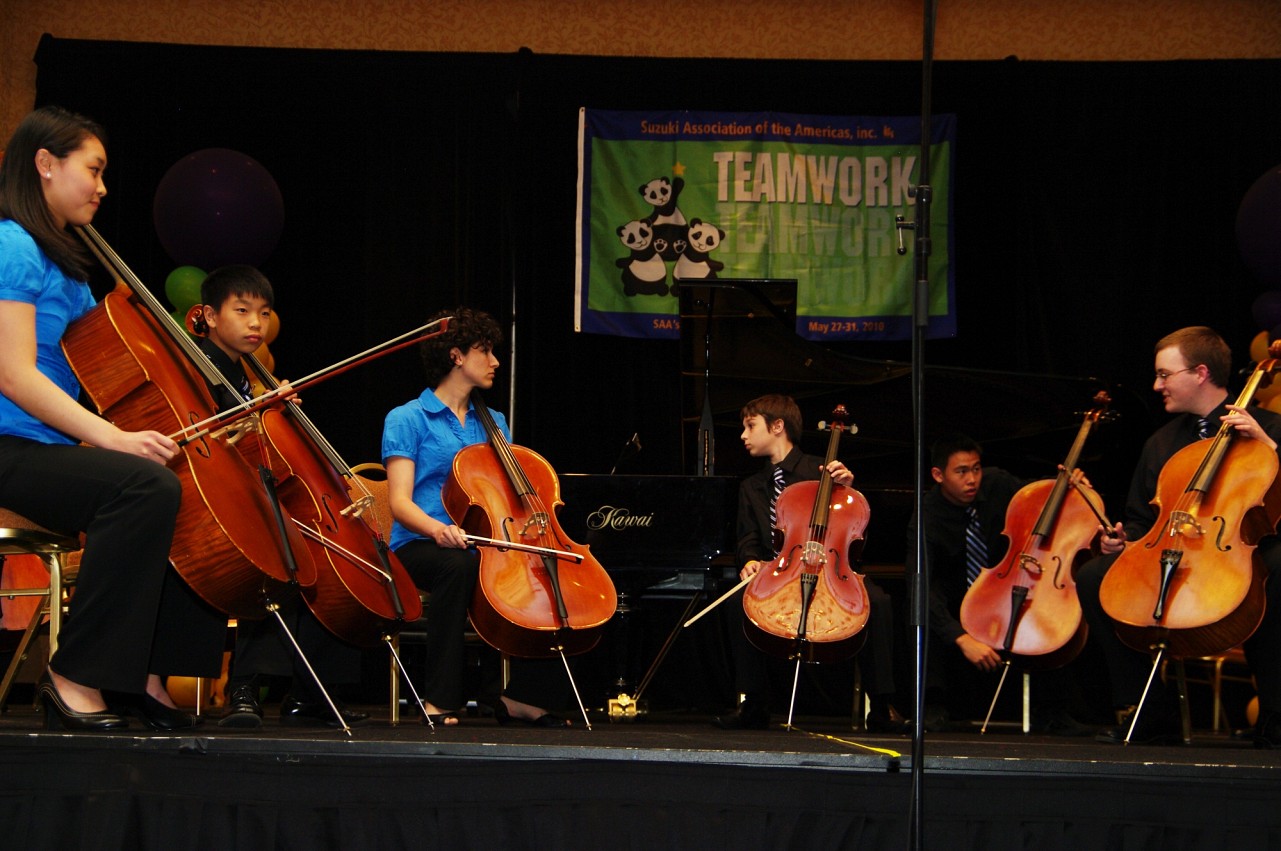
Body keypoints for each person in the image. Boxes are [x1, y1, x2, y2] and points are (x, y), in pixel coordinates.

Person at [0, 105, 219, 731]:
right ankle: (72, 676)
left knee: (178, 482)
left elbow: (108, 358)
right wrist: (113, 437)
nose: (101, 187)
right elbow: (13, 374)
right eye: (92, 170)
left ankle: (147, 675)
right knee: (140, 483)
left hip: (48, 450)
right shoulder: (12, 244)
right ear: (45, 164)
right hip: (10, 445)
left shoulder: (65, 267)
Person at [1076, 326, 1281, 747]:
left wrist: (1269, 448)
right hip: (1177, 554)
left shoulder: (1270, 426)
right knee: (1097, 575)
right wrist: (1122, 540)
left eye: (1165, 375)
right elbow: (1139, 520)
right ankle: (1151, 713)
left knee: (1276, 571)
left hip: (1247, 551)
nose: (1157, 386)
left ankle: (1276, 715)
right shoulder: (1161, 443)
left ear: (1201, 372)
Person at [190, 264, 368, 729]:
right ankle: (244, 687)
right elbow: (203, 437)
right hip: (211, 497)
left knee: (326, 560)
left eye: (264, 314)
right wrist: (258, 414)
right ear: (208, 315)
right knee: (279, 555)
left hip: (253, 490)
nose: (256, 323)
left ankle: (313, 692)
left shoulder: (249, 374)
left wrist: (271, 409)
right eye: (243, 310)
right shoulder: (197, 364)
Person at [382, 305, 570, 727]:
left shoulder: (494, 422)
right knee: (460, 566)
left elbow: (504, 497)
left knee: (531, 573)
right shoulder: (407, 418)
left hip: (478, 543)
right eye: (485, 351)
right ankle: (440, 698)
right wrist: (439, 529)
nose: (495, 361)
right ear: (456, 356)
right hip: (418, 544)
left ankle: (511, 695)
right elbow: (400, 503)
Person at [714, 394, 908, 732]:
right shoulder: (752, 486)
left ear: (777, 426)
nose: (743, 436)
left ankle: (880, 706)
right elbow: (747, 539)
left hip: (828, 567)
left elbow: (854, 529)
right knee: (736, 602)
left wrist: (846, 490)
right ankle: (754, 704)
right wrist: (749, 561)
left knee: (877, 601)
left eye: (750, 426)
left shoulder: (823, 471)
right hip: (779, 571)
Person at [905, 433, 1093, 735]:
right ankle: (933, 704)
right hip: (959, 593)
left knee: (1045, 604)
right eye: (962, 472)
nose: (972, 479)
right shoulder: (926, 515)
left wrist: (1068, 485)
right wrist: (961, 638)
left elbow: (1039, 496)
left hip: (1006, 582)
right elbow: (922, 583)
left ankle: (1053, 710)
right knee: (923, 599)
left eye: (976, 469)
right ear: (938, 475)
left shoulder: (998, 483)